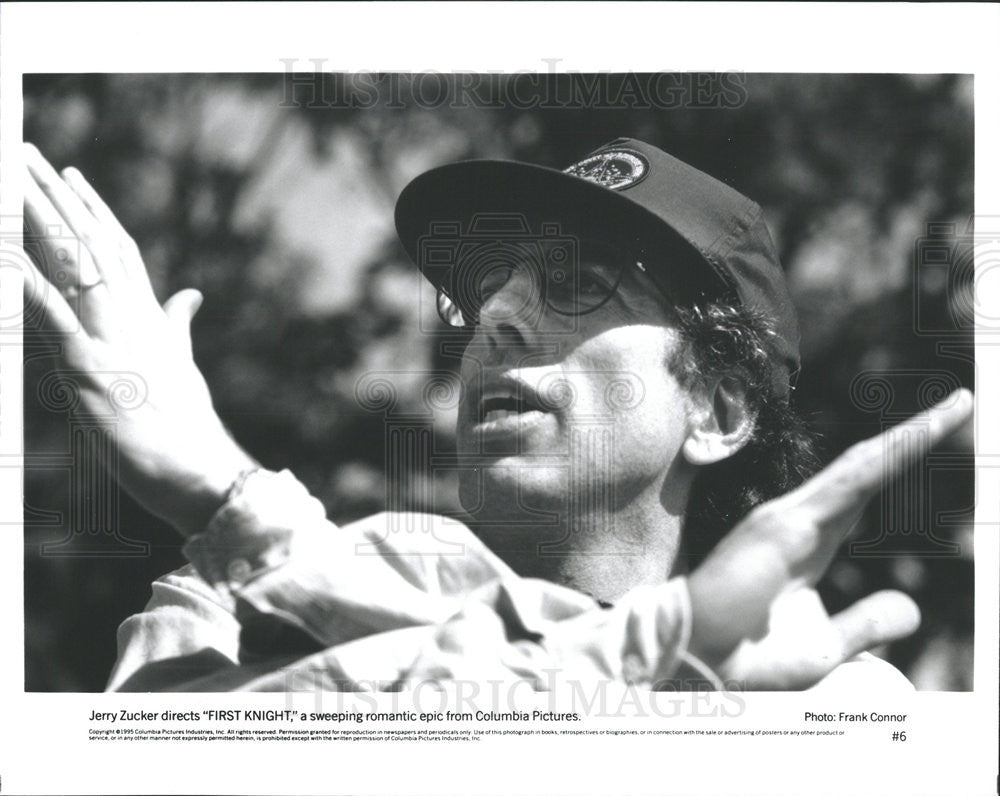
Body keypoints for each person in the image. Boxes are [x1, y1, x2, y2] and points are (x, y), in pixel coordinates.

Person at [21, 137, 972, 693]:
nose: (500, 318)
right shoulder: (218, 613)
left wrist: (239, 508)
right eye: (486, 288)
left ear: (718, 410)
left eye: (576, 284)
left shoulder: (828, 687)